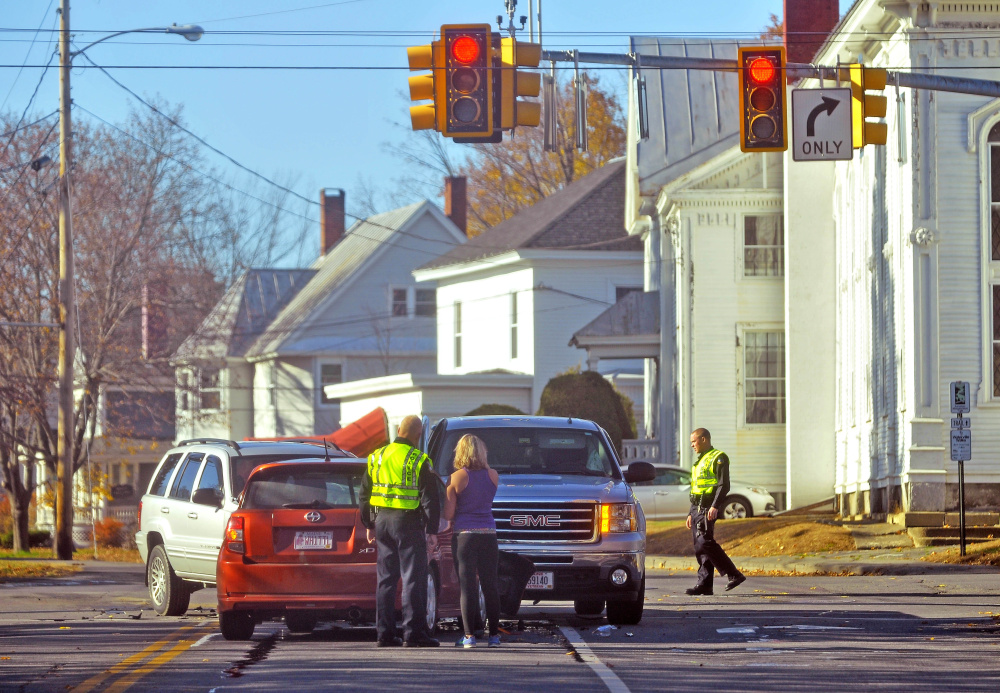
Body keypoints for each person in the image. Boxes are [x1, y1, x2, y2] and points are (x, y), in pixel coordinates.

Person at [360, 415, 442, 647]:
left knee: (386, 580)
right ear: (418, 436)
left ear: (398, 430)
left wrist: (369, 523)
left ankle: (384, 634)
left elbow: (364, 493)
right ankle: (412, 634)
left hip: (383, 521)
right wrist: (432, 530)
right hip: (408, 523)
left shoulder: (376, 457)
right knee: (412, 579)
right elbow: (430, 498)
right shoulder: (418, 459)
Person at [443, 434, 502, 648]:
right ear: (481, 451)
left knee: (467, 586)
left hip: (465, 536)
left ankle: (469, 637)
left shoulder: (457, 477)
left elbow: (449, 514)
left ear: (461, 452)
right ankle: (494, 636)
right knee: (490, 586)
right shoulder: (493, 475)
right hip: (489, 534)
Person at [685, 428, 746, 595]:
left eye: (694, 441)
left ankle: (734, 574)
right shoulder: (700, 461)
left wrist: (714, 506)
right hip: (697, 508)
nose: (692, 445)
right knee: (699, 546)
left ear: (704, 439)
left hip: (707, 507)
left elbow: (723, 485)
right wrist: (690, 513)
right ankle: (704, 584)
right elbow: (696, 489)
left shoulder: (719, 458)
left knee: (705, 541)